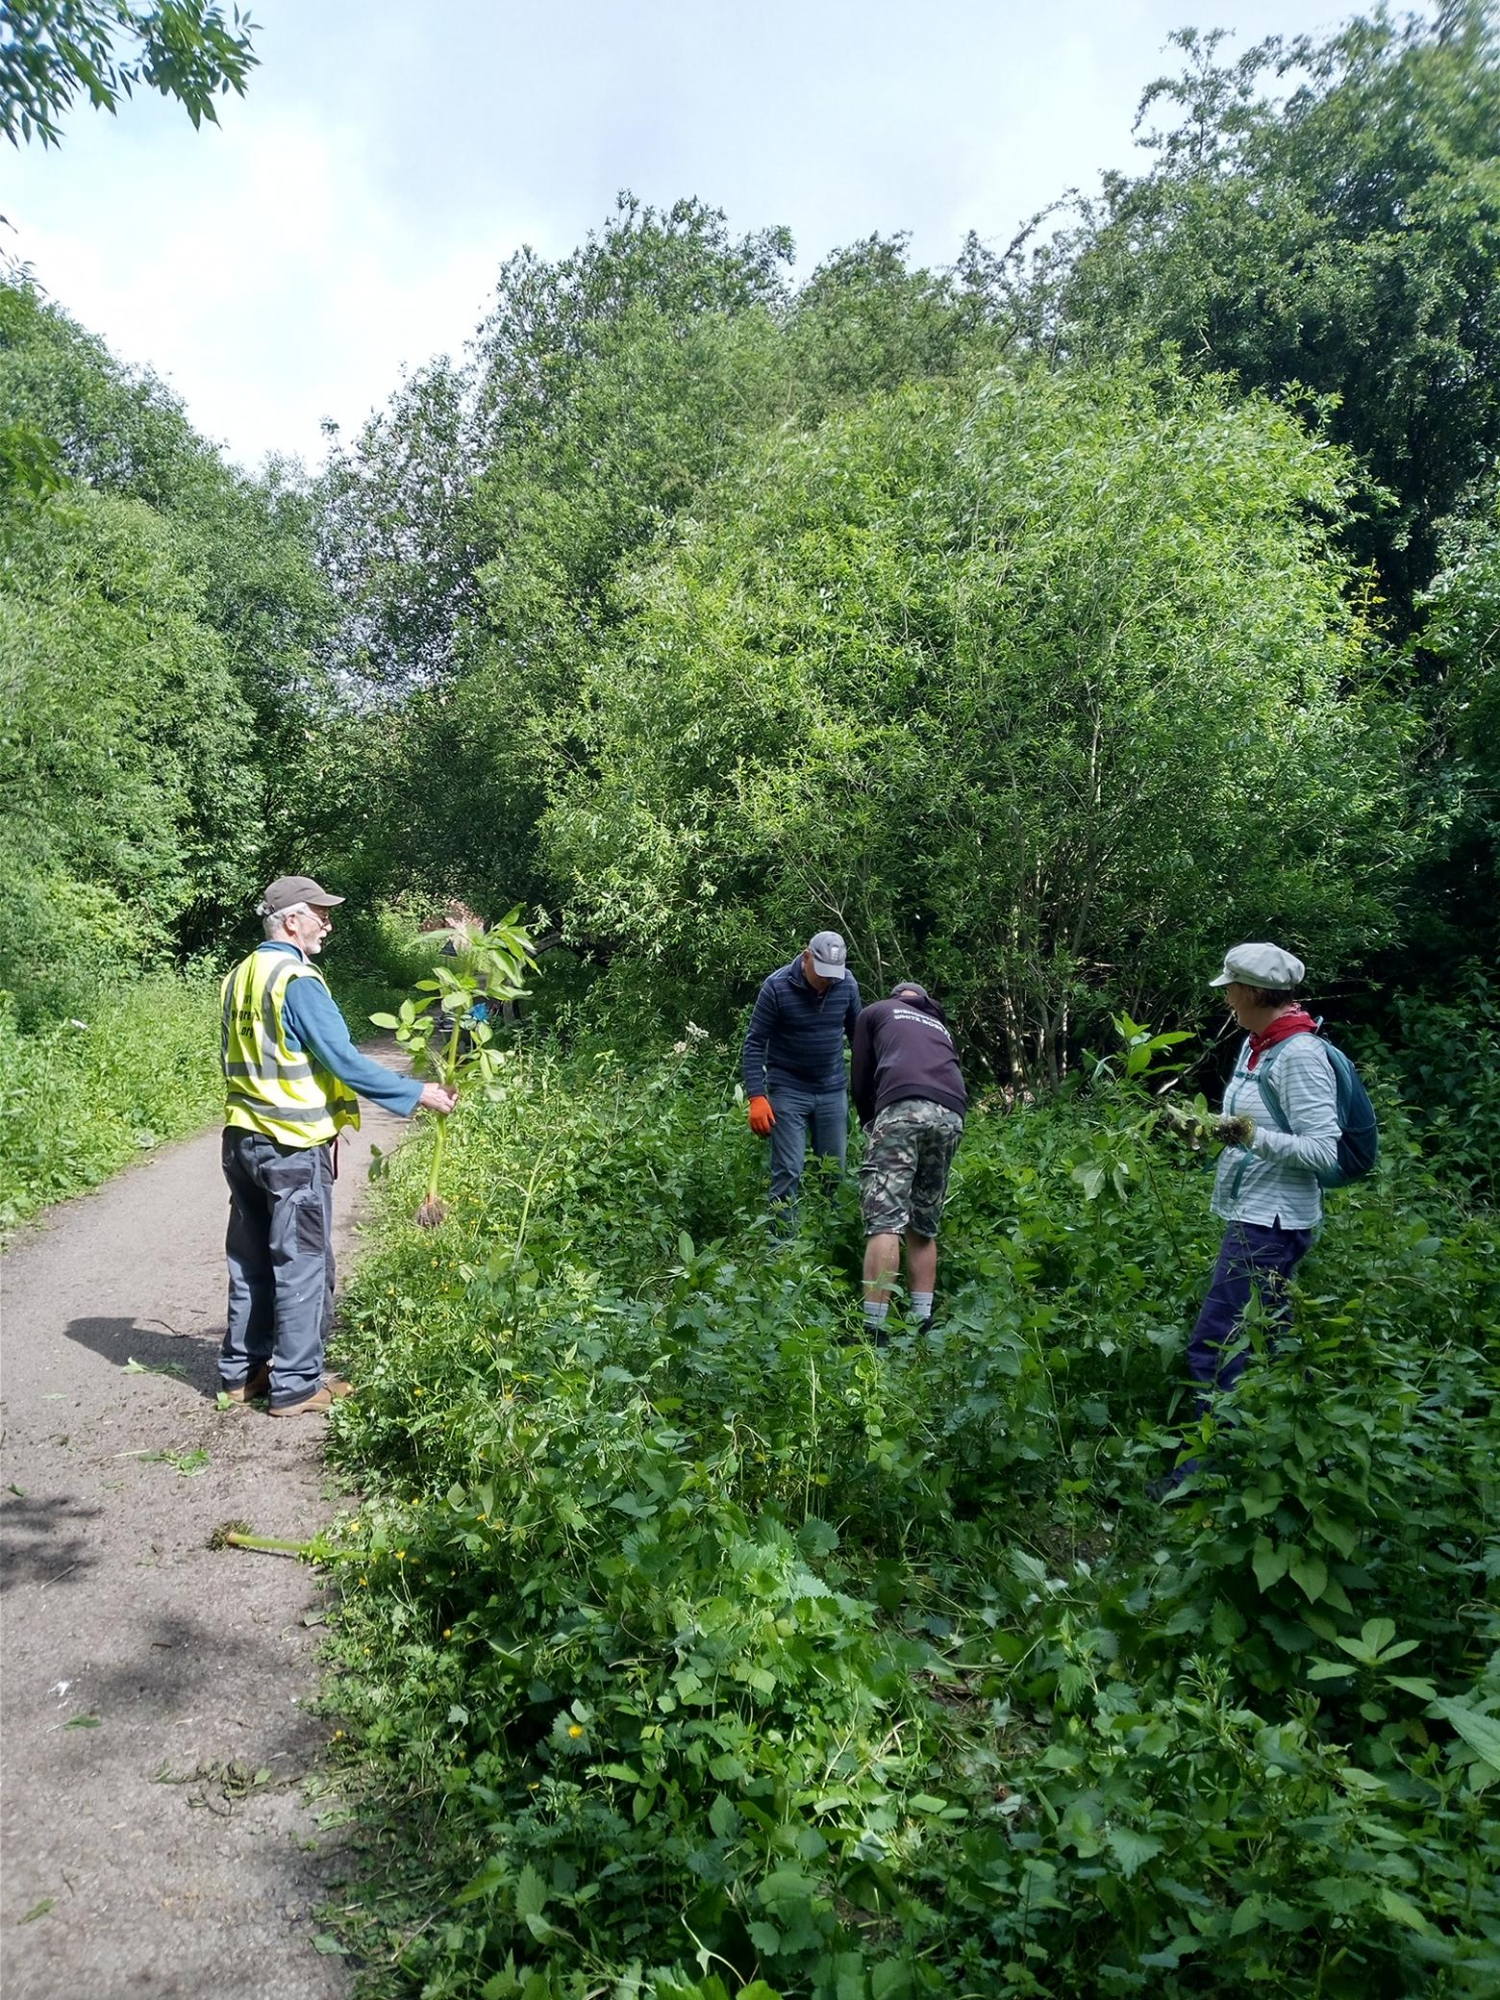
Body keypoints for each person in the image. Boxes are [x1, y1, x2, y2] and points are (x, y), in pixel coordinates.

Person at [219, 875, 457, 1417]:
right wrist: (416, 1092)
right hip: (291, 1144)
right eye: (320, 914)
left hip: (242, 1139)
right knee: (302, 1262)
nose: (328, 923)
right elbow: (343, 1059)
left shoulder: (239, 977)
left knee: (250, 1258)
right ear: (291, 921)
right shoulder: (296, 979)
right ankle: (298, 1385)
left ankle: (242, 1373)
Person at [1183, 940, 1339, 1429]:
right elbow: (1250, 1125)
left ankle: (1203, 1471)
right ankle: (1283, 1438)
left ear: (1251, 992)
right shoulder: (1258, 1046)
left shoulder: (1300, 1054)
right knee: (1270, 1339)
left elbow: (1323, 1151)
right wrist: (1203, 1128)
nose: (1226, 997)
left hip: (1271, 1224)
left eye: (1230, 988)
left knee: (1217, 1344)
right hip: (1251, 1211)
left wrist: (1251, 1137)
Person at [850, 983, 967, 1344]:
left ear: (897, 996)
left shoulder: (876, 1012)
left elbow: (860, 1078)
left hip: (902, 1109)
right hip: (951, 1115)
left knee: (885, 1220)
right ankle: (922, 1323)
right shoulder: (940, 1026)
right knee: (924, 1221)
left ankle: (875, 1330)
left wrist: (871, 1122)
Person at [741, 930, 862, 1213]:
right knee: (788, 1171)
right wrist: (756, 1097)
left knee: (834, 1173)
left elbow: (859, 1037)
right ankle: (781, 1250)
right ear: (806, 957)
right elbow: (754, 1043)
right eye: (822, 974)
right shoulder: (776, 987)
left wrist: (870, 1083)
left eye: (833, 975)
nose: (827, 982)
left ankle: (830, 1243)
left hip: (832, 1089)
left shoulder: (846, 985)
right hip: (788, 1090)